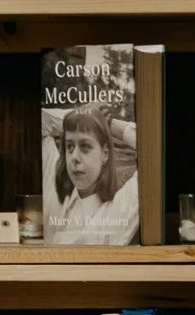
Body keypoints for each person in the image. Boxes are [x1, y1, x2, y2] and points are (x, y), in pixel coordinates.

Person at [41, 104, 139, 245]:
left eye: (85, 146)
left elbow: (153, 147)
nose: (75, 157)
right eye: (69, 147)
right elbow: (40, 122)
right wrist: (82, 116)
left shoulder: (117, 211)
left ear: (105, 154)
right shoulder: (54, 192)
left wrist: (109, 124)